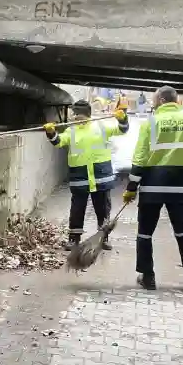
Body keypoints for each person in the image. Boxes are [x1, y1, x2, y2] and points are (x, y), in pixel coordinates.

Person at [122, 86, 183, 292]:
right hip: (182, 187)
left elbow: (140, 159)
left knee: (145, 232)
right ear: (176, 101)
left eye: (154, 99)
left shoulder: (150, 123)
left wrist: (131, 188)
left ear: (161, 100)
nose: (152, 103)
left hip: (153, 187)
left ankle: (148, 277)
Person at [44, 99, 129, 251]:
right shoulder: (71, 131)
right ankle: (73, 239)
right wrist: (51, 133)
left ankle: (103, 238)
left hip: (100, 176)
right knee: (77, 209)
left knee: (103, 209)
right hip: (80, 177)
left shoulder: (101, 126)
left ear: (86, 115)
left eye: (78, 115)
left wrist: (122, 119)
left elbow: (122, 130)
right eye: (75, 115)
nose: (76, 118)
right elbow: (58, 142)